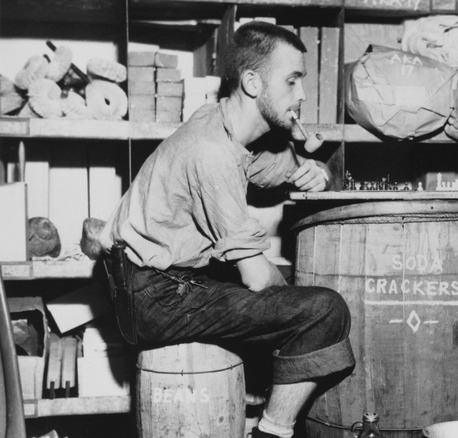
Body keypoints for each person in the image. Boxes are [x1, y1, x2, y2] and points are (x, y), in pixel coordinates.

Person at [99, 22, 355, 438]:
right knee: (324, 308)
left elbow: (283, 170)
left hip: (164, 280)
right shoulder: (212, 151)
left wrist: (317, 170)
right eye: (292, 81)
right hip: (152, 294)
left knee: (297, 293)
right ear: (253, 83)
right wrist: (293, 295)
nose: (303, 95)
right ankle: (271, 432)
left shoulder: (226, 125)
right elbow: (257, 278)